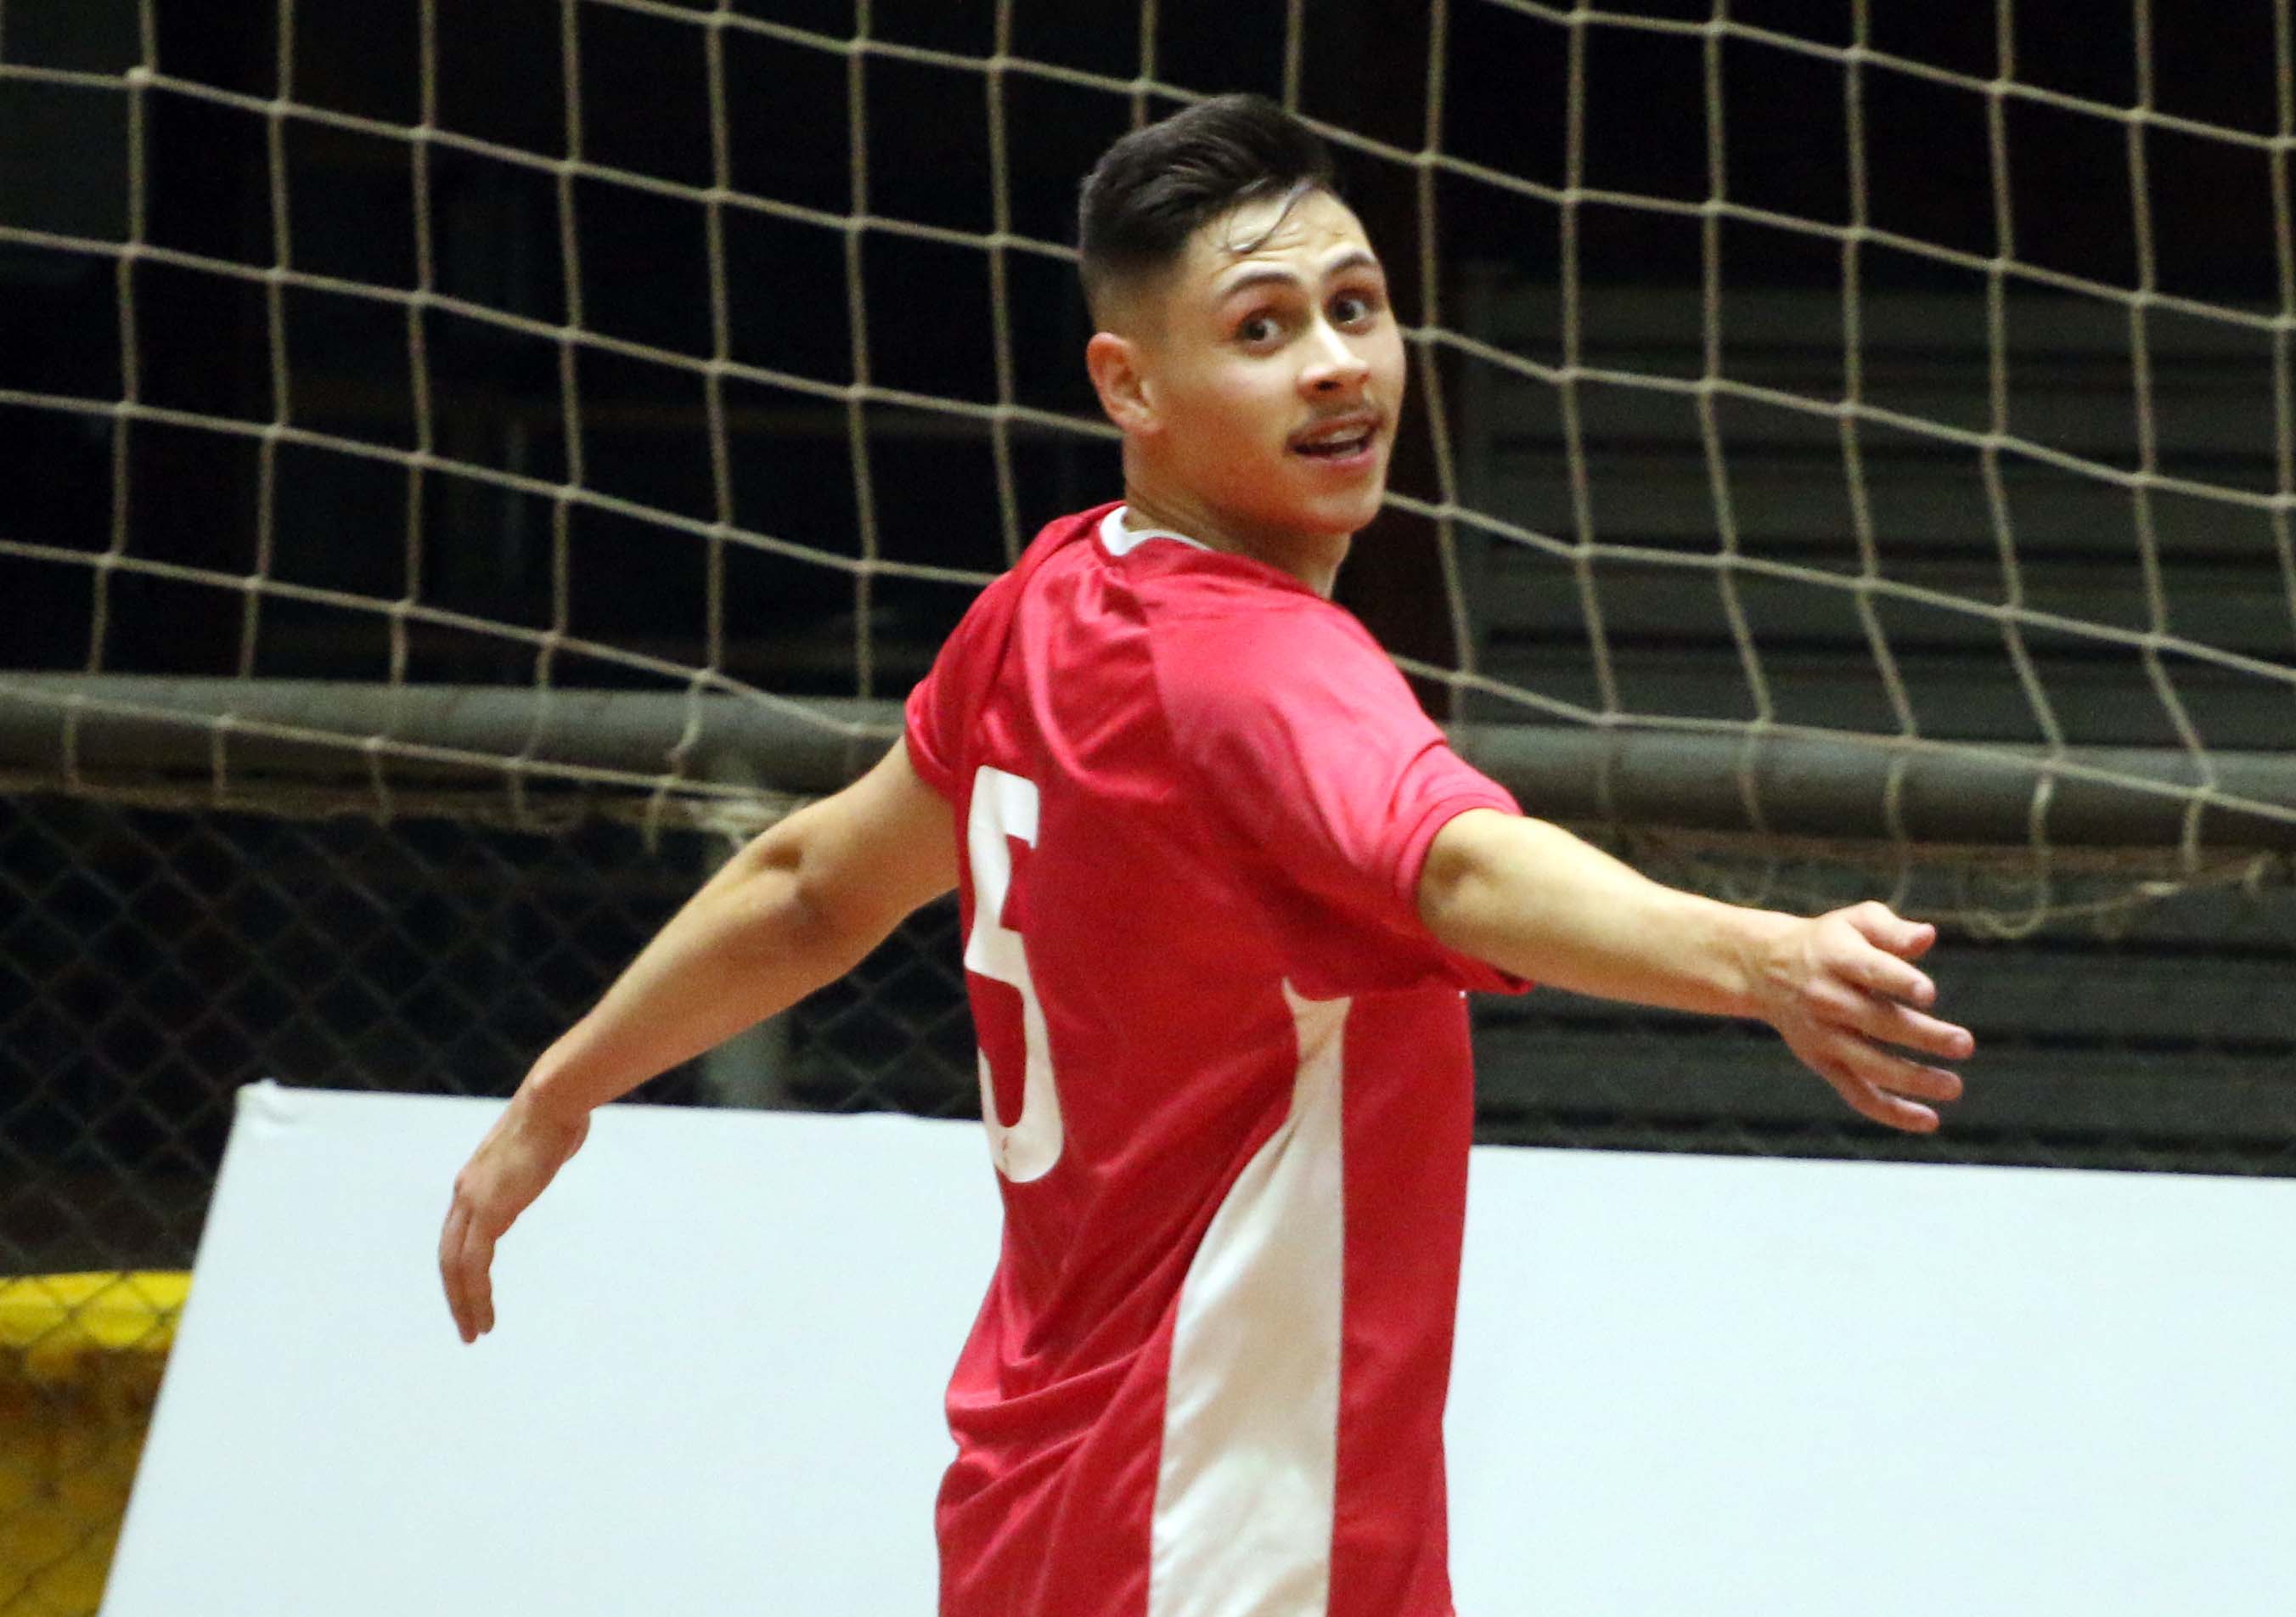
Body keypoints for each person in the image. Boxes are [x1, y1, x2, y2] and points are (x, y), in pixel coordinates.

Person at [439, 93, 1973, 1617]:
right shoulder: (1262, 671)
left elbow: (808, 888)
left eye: (1355, 308)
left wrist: (559, 1090)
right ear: (1131, 384)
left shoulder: (1043, 608)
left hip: (1042, 1508)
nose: (1336, 364)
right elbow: (1459, 869)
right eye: (1261, 329)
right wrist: (1763, 958)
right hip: (1224, 1528)